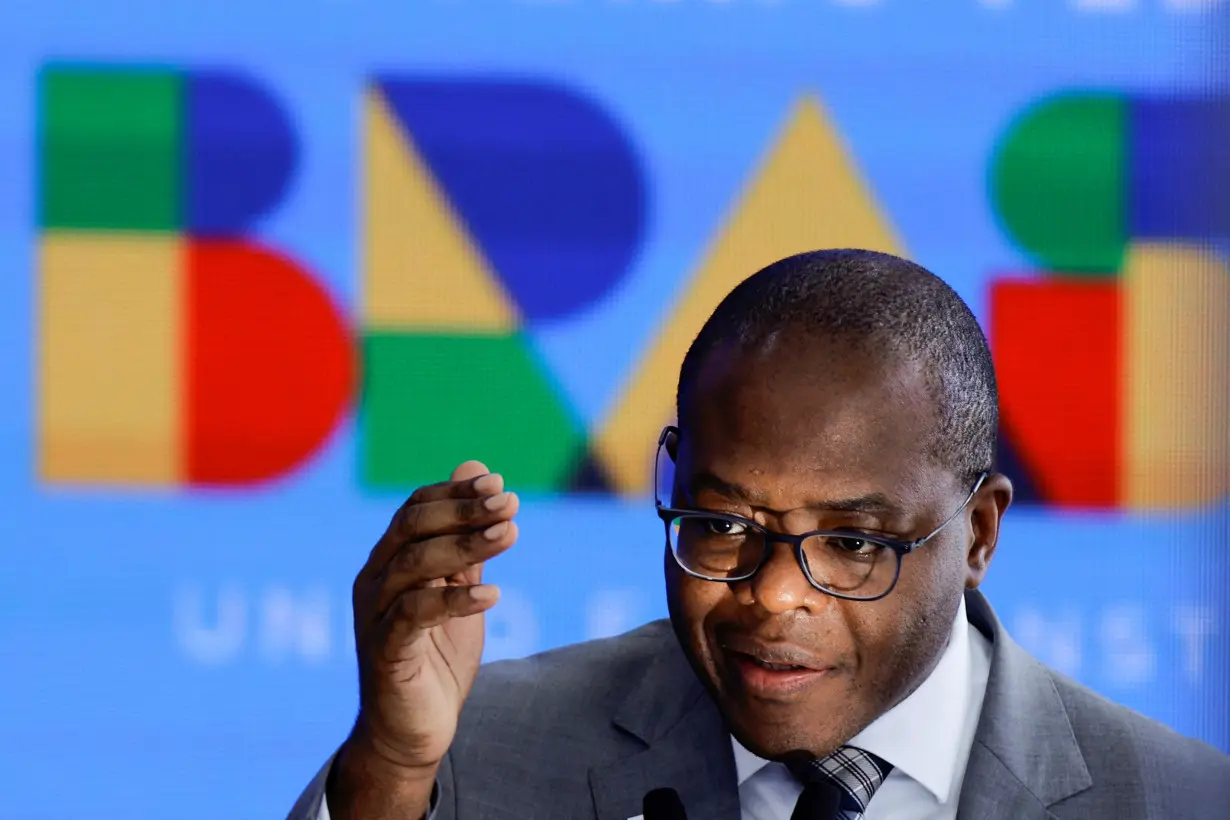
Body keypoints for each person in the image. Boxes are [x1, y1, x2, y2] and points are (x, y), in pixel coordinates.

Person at [289, 249, 1230, 820]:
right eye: (724, 524)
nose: (775, 594)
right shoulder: (478, 753)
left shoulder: (1177, 804)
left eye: (853, 543)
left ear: (977, 534)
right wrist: (392, 770)